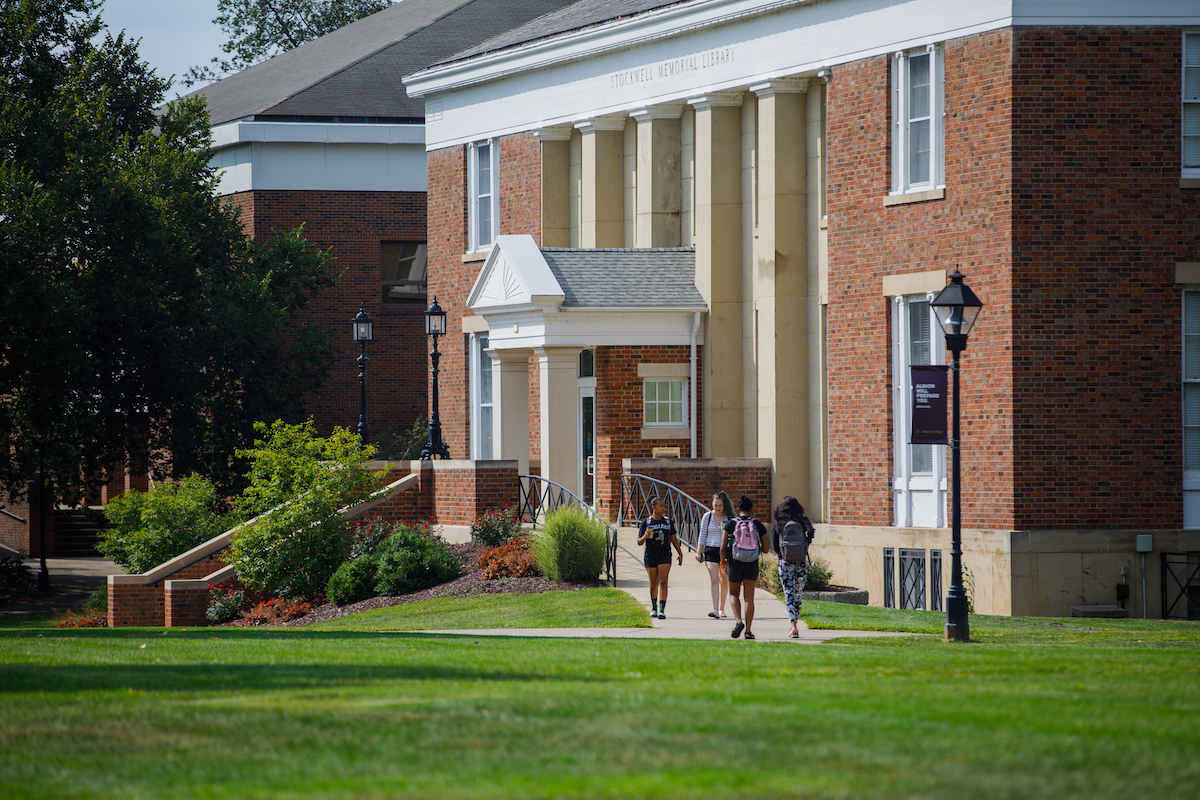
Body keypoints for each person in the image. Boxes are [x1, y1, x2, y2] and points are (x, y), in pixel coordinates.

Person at [720, 494, 766, 639]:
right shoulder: (758, 525)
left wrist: (723, 562)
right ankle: (748, 631)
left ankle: (738, 621)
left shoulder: (730, 524)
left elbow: (722, 548)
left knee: (733, 594)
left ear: (737, 508)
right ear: (751, 509)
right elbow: (765, 549)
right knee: (749, 598)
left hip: (735, 562)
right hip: (751, 563)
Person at [770, 495, 813, 638]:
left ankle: (792, 625)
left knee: (788, 593)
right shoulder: (802, 521)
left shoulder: (780, 523)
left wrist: (782, 554)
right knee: (798, 594)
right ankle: (795, 624)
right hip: (800, 562)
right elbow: (811, 531)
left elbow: (774, 544)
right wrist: (805, 544)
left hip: (785, 562)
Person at [637, 496, 683, 619]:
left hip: (665, 553)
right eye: (661, 506)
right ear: (653, 507)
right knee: (653, 583)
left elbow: (673, 538)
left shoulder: (668, 522)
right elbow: (639, 542)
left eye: (664, 506)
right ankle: (654, 608)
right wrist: (645, 536)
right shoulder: (646, 523)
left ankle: (662, 609)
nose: (663, 508)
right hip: (650, 554)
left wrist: (680, 552)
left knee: (663, 582)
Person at [696, 491, 734, 618]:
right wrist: (698, 551)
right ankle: (715, 609)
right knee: (714, 579)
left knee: (724, 580)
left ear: (724, 505)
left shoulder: (728, 517)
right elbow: (702, 535)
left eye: (720, 505)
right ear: (712, 504)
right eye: (715, 505)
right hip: (711, 550)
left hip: (725, 551)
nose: (718, 508)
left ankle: (722, 608)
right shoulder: (708, 516)